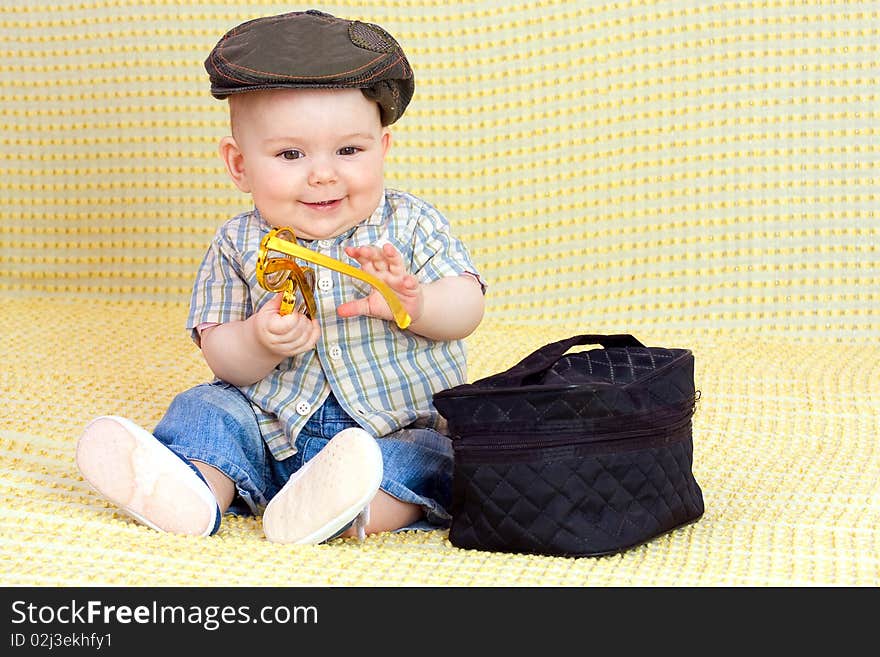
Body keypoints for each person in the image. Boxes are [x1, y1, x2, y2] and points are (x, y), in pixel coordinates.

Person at [75, 10, 485, 544]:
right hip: (271, 435)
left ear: (382, 150)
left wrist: (416, 301)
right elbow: (222, 354)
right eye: (290, 154)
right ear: (239, 165)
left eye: (349, 150)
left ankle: (349, 514)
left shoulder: (410, 225)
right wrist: (257, 340)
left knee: (439, 455)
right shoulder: (237, 244)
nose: (322, 172)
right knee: (208, 407)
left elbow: (469, 307)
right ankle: (195, 490)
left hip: (392, 430)